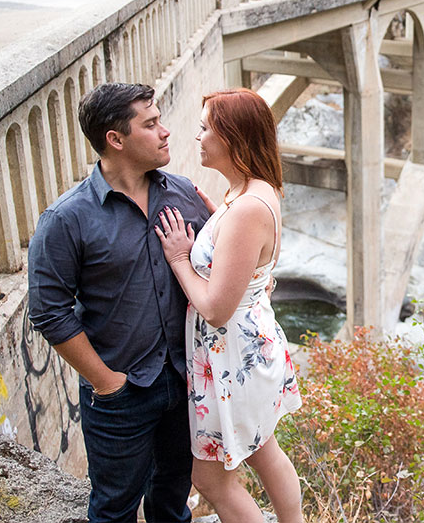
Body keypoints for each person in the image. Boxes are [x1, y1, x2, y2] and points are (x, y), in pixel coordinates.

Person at [28, 82, 211, 523]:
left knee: (172, 501)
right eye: (150, 124)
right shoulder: (67, 219)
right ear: (116, 139)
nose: (166, 131)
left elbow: (217, 269)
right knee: (114, 510)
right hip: (120, 395)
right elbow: (48, 311)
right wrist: (106, 382)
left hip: (187, 382)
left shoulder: (183, 193)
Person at [154, 88, 303, 523]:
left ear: (232, 137)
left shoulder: (246, 209)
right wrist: (219, 216)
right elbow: (245, 257)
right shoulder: (250, 193)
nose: (197, 137)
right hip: (247, 350)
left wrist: (181, 258)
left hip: (231, 355)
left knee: (213, 481)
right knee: (263, 450)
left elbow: (215, 309)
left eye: (205, 129)